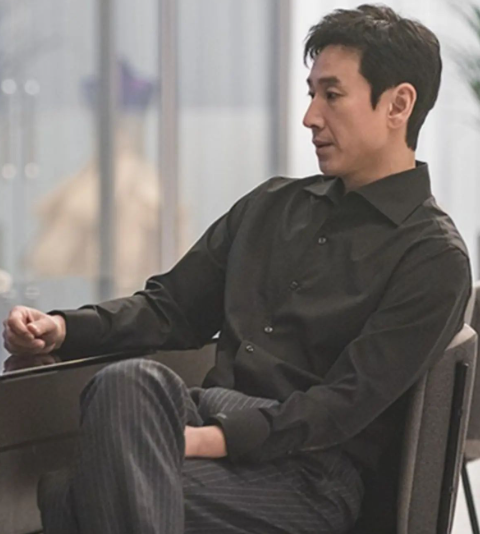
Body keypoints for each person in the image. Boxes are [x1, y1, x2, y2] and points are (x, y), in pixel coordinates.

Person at [2, 4, 472, 534]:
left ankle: (86, 502)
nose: (311, 116)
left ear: (398, 104)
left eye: (332, 95)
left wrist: (211, 439)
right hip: (204, 419)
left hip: (311, 472)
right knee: (125, 383)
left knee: (85, 494)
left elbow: (343, 405)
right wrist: (63, 328)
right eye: (311, 94)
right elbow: (171, 308)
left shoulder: (433, 257)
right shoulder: (271, 205)